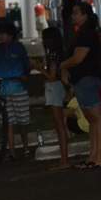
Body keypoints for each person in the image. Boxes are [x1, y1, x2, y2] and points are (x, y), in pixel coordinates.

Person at [60, 2, 101, 169]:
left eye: (76, 13)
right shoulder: (84, 33)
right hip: (83, 79)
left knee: (97, 118)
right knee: (92, 119)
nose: (73, 16)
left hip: (87, 78)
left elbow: (78, 58)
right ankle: (93, 156)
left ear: (85, 15)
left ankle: (99, 157)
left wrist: (62, 65)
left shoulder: (86, 34)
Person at [0, 22, 31, 159]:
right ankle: (12, 151)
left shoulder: (18, 48)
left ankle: (25, 147)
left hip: (18, 89)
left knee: (23, 122)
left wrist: (24, 75)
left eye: (4, 34)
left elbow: (26, 64)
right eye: (0, 34)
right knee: (8, 123)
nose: (1, 37)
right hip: (3, 91)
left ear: (11, 35)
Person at [37, 27, 69, 169]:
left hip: (54, 88)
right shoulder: (61, 53)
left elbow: (52, 76)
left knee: (59, 125)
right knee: (60, 124)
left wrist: (39, 68)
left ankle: (64, 160)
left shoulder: (53, 55)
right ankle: (64, 159)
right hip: (58, 87)